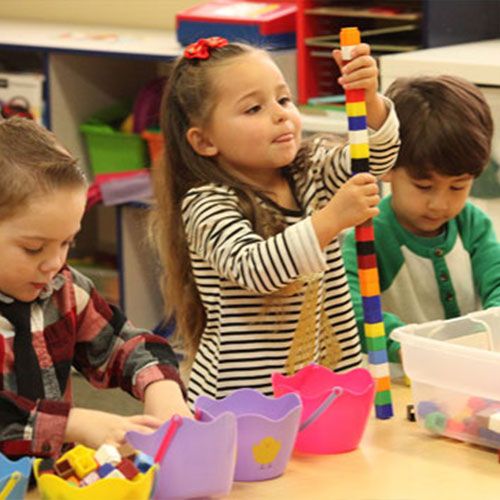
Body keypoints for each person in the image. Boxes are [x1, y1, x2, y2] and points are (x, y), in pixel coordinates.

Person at [150, 37, 400, 406]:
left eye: (283, 99)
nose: (281, 114)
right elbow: (256, 269)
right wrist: (331, 219)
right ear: (204, 141)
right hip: (241, 403)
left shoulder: (311, 169)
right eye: (254, 108)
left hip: (323, 390)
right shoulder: (207, 204)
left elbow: (374, 160)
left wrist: (370, 101)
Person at [0, 117, 190, 459]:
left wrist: (161, 386)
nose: (54, 263)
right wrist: (71, 424)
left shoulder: (63, 289)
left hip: (47, 478)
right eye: (33, 248)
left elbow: (123, 343)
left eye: (67, 243)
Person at [342, 74, 498, 362]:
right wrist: (405, 344)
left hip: (469, 373)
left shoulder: (472, 225)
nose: (440, 204)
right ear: (387, 165)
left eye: (458, 187)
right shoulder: (369, 236)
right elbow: (351, 308)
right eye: (424, 186)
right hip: (401, 378)